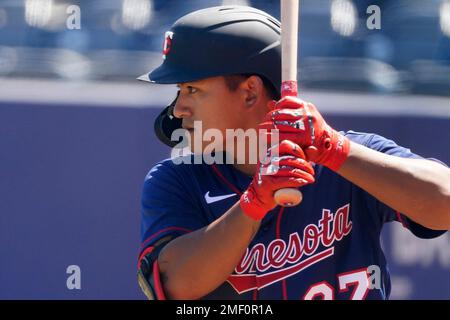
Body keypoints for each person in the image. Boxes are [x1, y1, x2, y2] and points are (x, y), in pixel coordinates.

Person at [136, 6, 450, 300]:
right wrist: (253, 204)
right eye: (179, 91)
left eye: (192, 89)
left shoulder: (350, 157)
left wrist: (334, 150)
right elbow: (177, 286)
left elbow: (445, 201)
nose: (178, 108)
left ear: (250, 92)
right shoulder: (176, 178)